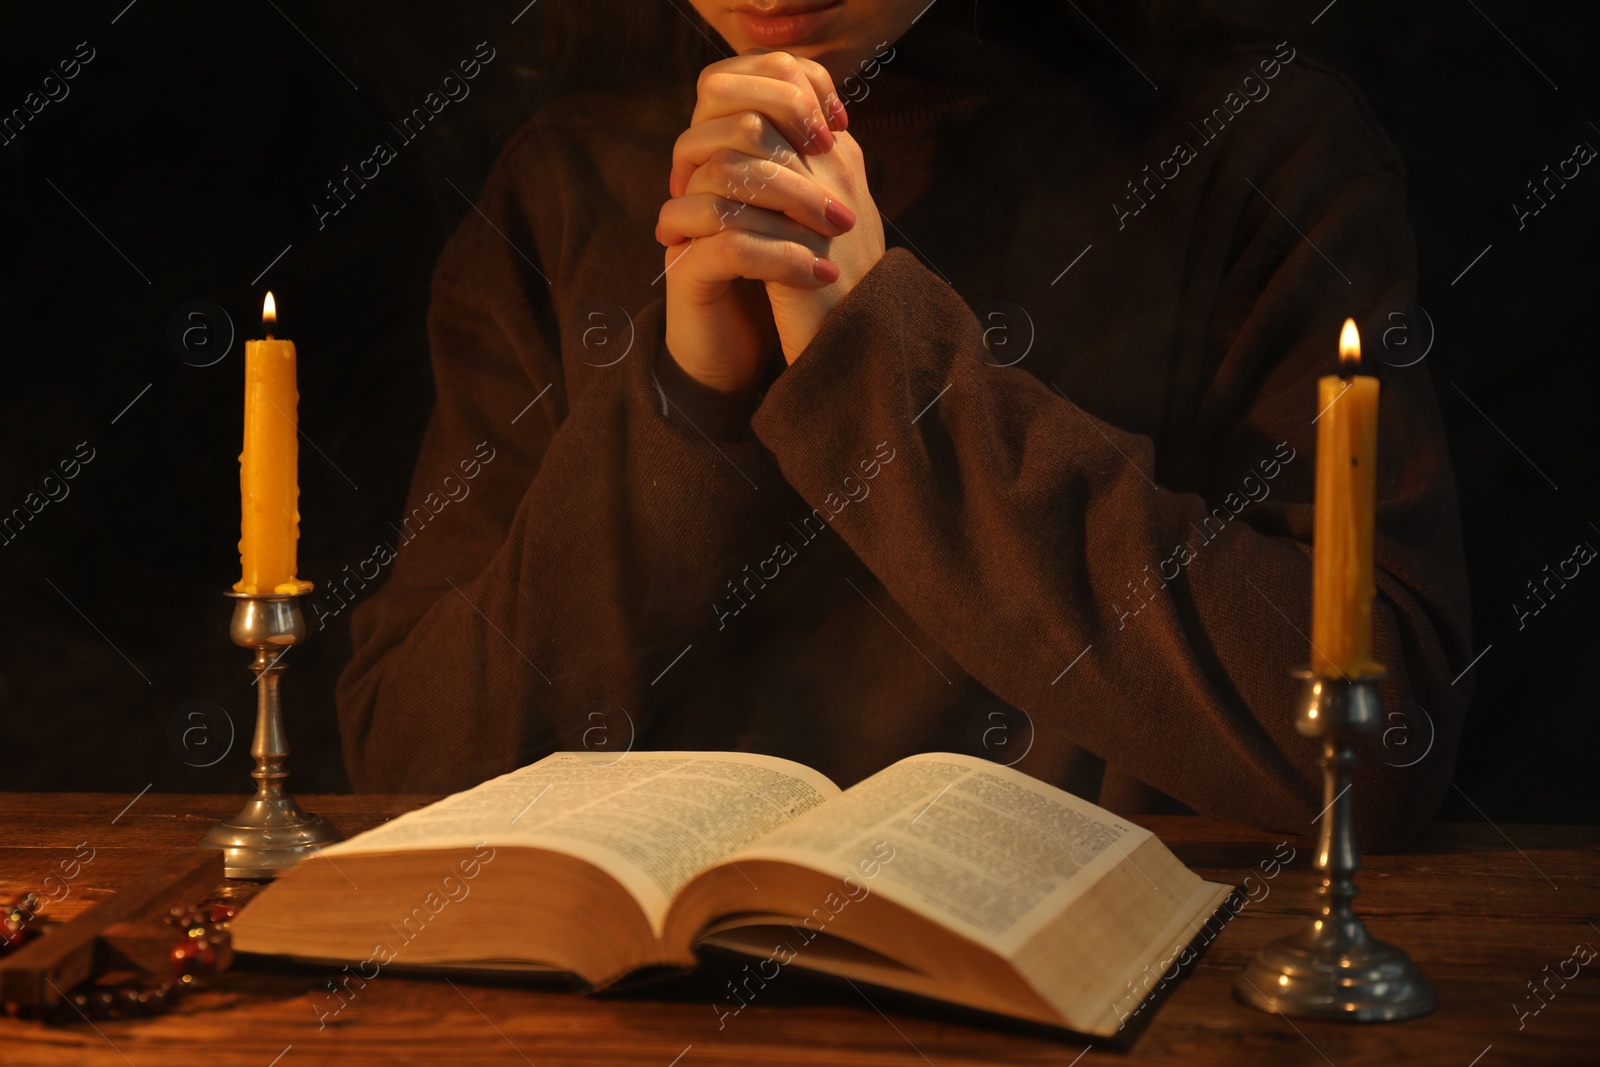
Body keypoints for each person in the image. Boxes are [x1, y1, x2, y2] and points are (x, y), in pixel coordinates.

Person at [337, 0, 1472, 851]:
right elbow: (409, 763)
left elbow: (1374, 745)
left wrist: (876, 365)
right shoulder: (559, 187)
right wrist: (684, 408)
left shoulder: (1253, 144)